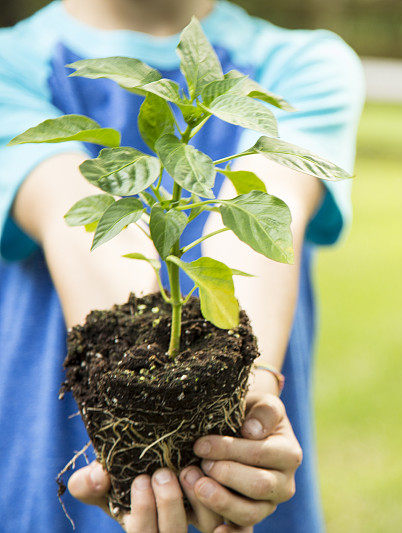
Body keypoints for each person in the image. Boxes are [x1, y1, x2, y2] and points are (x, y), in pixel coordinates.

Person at [0, 0, 364, 531]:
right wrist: (157, 403)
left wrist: (247, 396)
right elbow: (72, 214)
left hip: (243, 466)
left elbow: (264, 221)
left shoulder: (302, 64)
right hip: (47, 463)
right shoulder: (14, 61)